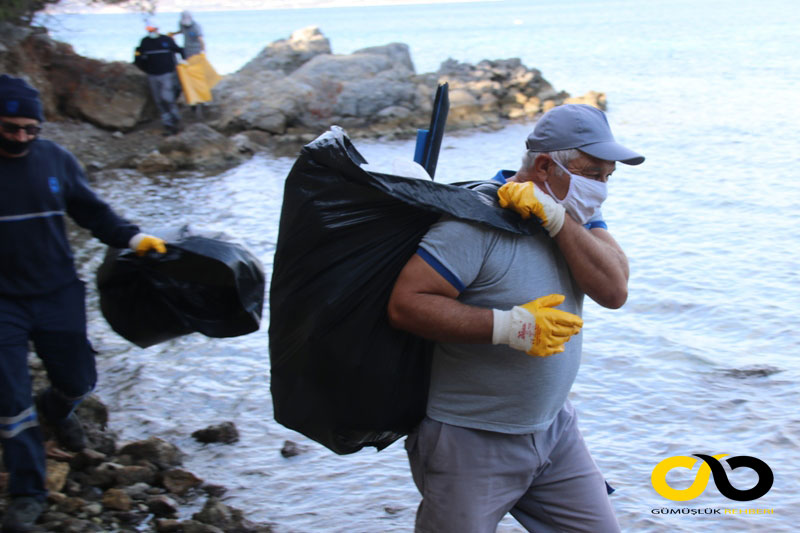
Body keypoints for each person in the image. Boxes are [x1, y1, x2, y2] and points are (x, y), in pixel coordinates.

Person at [387, 103, 645, 533]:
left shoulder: (573, 213)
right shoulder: (475, 221)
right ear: (545, 166)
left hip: (555, 432)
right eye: (594, 174)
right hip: (471, 440)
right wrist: (510, 327)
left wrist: (560, 221)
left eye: (608, 177)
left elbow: (614, 289)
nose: (601, 188)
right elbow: (406, 304)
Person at [0, 75, 167, 532]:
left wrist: (135, 238)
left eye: (30, 129)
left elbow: (92, 212)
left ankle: (56, 410)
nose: (21, 138)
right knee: (10, 401)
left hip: (58, 293)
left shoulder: (55, 159)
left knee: (78, 381)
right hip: (3, 305)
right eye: (10, 128)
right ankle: (29, 492)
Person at [134, 24, 185, 136]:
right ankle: (168, 123)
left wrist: (186, 61)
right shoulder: (145, 42)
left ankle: (176, 118)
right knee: (159, 100)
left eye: (153, 30)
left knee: (167, 97)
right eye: (150, 30)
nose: (152, 32)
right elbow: (138, 56)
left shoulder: (166, 40)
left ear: (157, 29)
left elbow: (179, 50)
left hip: (167, 74)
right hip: (152, 75)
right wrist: (143, 67)